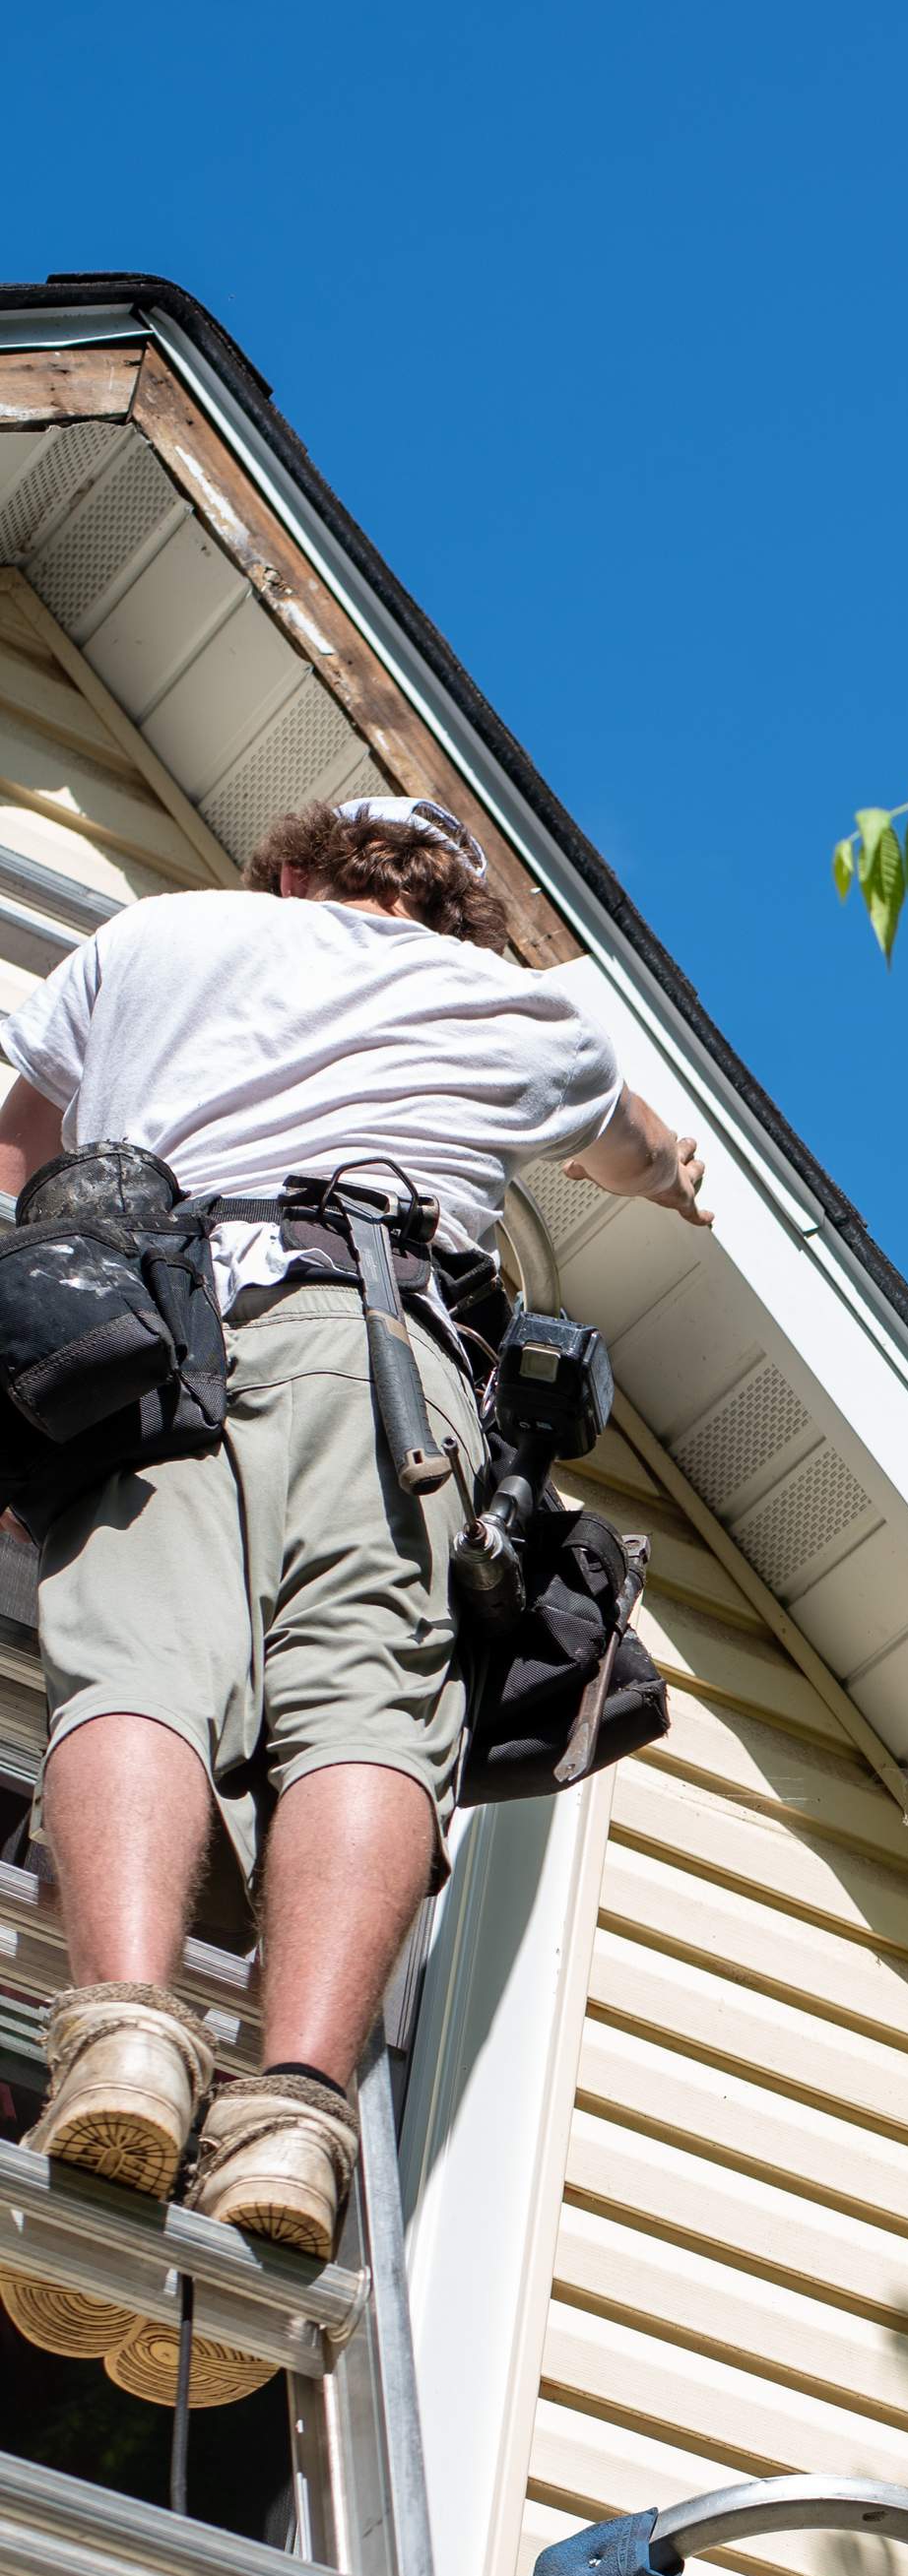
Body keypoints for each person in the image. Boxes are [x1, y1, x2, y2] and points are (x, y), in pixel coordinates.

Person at [0, 797, 708, 2402]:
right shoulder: (516, 1005)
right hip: (382, 1351)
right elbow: (635, 1142)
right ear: (454, 908)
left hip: (144, 1327)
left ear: (298, 873)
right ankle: (296, 2113)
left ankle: (117, 2026)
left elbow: (19, 1156)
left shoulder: (158, 935)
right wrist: (676, 1176)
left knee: (138, 1670)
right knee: (361, 1712)